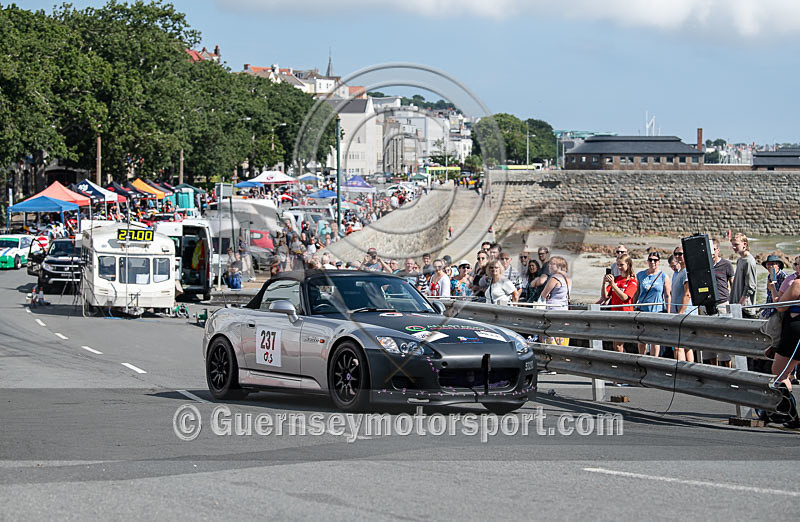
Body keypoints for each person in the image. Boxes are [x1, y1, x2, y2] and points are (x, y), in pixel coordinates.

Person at [766, 279, 800, 428]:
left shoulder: (798, 283)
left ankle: (788, 413)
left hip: (795, 330)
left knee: (779, 372)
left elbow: (780, 306)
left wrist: (773, 289)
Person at [634, 251, 669, 356]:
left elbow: (667, 295)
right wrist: (632, 306)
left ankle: (654, 360)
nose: (653, 262)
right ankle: (641, 358)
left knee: (655, 339)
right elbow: (637, 293)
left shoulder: (663, 276)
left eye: (655, 260)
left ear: (659, 262)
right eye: (650, 260)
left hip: (657, 310)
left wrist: (668, 311)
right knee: (641, 338)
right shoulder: (640, 275)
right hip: (643, 310)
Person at [601, 253, 638, 352]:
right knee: (615, 345)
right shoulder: (616, 279)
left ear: (628, 265)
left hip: (625, 315)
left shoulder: (632, 281)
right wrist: (604, 283)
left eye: (621, 265)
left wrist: (613, 285)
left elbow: (624, 297)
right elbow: (605, 296)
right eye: (618, 265)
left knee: (618, 345)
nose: (619, 267)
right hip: (614, 314)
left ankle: (622, 363)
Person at [670, 246, 696, 362]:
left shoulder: (686, 271)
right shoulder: (679, 271)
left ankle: (682, 372)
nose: (677, 256)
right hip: (679, 312)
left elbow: (687, 293)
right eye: (675, 254)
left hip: (685, 313)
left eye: (680, 254)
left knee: (680, 345)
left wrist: (680, 312)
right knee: (684, 346)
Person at [729, 232, 757, 318]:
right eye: (733, 245)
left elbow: (751, 286)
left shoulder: (749, 261)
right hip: (736, 306)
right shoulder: (740, 260)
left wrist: (740, 305)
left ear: (745, 244)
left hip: (745, 309)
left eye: (736, 245)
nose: (734, 247)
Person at [763, 255, 787, 319]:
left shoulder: (784, 277)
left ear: (778, 265)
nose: (770, 266)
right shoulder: (769, 276)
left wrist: (772, 287)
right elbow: (769, 295)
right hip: (768, 308)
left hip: (777, 310)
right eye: (768, 264)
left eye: (772, 264)